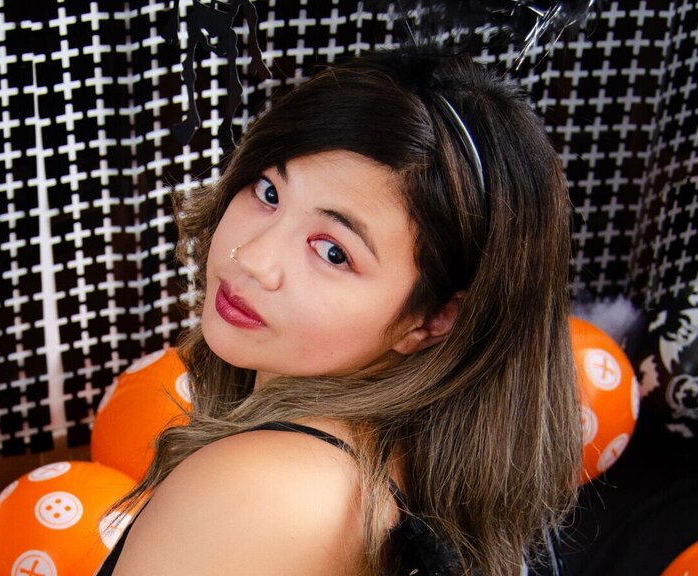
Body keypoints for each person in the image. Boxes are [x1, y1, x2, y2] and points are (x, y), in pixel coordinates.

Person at [98, 47, 581, 576]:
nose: (253, 259)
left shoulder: (258, 488)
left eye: (332, 252)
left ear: (434, 318)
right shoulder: (419, 472)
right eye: (268, 192)